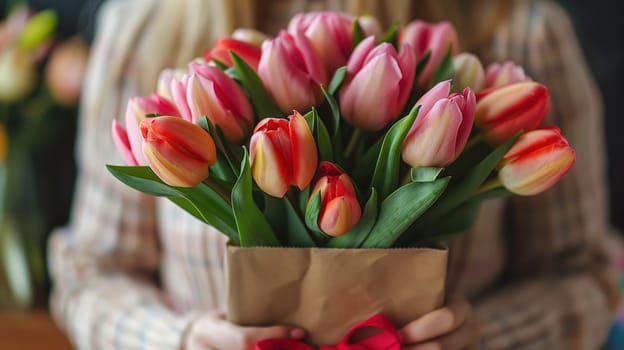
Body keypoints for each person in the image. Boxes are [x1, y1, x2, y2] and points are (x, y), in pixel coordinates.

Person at [48, 0, 618, 349]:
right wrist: (181, 341)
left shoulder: (518, 29)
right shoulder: (144, 30)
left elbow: (587, 277)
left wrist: (484, 340)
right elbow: (91, 276)